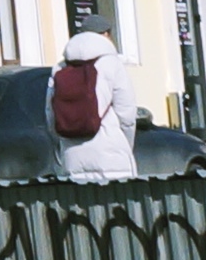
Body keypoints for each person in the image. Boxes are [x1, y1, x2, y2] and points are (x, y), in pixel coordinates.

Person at [51, 28, 146, 182]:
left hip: (72, 158)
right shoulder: (112, 64)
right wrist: (126, 144)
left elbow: (50, 113)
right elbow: (126, 113)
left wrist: (62, 144)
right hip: (112, 158)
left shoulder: (60, 68)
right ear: (106, 35)